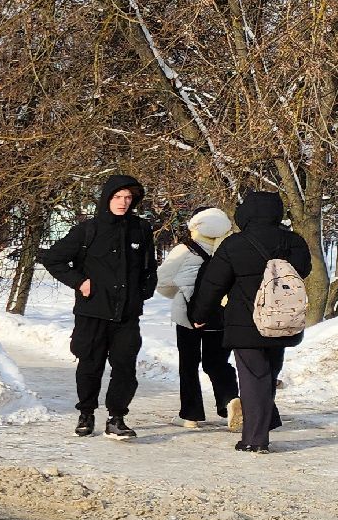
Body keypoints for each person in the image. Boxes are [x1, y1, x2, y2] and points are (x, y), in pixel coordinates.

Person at [192, 190, 314, 453]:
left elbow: (213, 284)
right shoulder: (294, 241)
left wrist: (200, 315)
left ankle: (254, 439)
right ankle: (266, 419)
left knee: (253, 377)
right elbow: (303, 271)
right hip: (282, 320)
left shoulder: (235, 244)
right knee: (268, 374)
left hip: (246, 322)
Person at [40, 173, 159, 439]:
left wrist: (144, 291)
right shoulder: (87, 230)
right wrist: (79, 281)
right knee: (90, 365)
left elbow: (149, 266)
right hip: (92, 311)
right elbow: (52, 259)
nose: (123, 202)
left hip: (127, 314)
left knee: (125, 367)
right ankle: (86, 413)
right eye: (118, 197)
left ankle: (117, 418)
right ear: (107, 198)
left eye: (128, 197)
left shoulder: (140, 229)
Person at [156, 207, 237, 428]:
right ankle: (230, 401)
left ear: (195, 224)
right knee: (218, 362)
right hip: (222, 314)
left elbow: (163, 281)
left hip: (188, 315)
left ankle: (190, 415)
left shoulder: (185, 249)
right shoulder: (232, 247)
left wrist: (180, 294)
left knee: (188, 364)